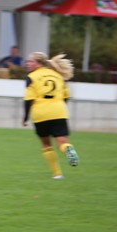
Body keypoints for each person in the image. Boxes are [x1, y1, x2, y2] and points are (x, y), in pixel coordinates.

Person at [22, 51, 79, 180]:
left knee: (46, 145)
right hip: (59, 111)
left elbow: (28, 100)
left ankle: (57, 174)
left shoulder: (32, 77)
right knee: (62, 143)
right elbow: (66, 96)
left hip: (40, 113)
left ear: (39, 63)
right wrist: (59, 107)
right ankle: (69, 150)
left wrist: (25, 117)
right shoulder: (58, 75)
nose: (28, 63)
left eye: (31, 61)